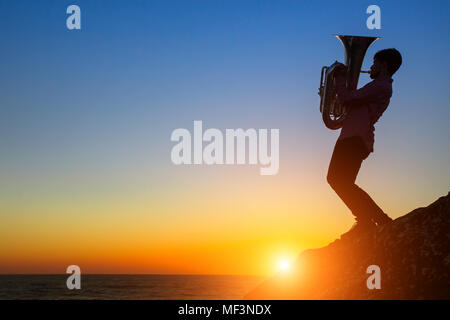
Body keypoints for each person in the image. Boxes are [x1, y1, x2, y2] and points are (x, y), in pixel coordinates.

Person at [326, 48, 402, 238]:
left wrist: (339, 79)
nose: (370, 67)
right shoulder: (377, 86)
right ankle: (371, 219)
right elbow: (352, 104)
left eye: (375, 63)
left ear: (384, 65)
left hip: (355, 138)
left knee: (338, 181)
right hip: (353, 137)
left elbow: (347, 98)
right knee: (341, 181)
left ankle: (372, 220)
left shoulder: (381, 86)